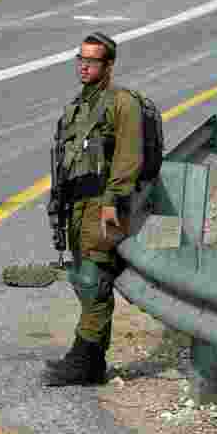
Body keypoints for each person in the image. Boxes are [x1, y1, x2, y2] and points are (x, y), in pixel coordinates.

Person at [42, 32, 143, 387]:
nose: (84, 65)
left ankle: (82, 361)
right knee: (85, 283)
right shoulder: (80, 104)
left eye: (93, 60)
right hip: (78, 205)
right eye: (81, 58)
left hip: (103, 205)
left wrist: (113, 201)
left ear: (109, 65)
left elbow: (129, 156)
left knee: (94, 281)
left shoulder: (121, 103)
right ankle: (93, 362)